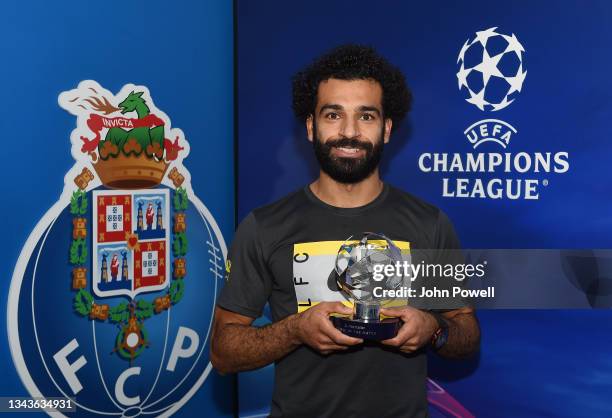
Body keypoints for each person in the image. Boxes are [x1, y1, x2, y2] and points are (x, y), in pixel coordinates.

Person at [211, 44, 480, 418]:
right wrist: (294, 330)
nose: (349, 132)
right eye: (333, 115)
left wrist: (434, 329)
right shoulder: (264, 227)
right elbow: (223, 352)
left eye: (366, 116)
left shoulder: (429, 223)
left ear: (386, 129)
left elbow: (466, 333)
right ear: (311, 127)